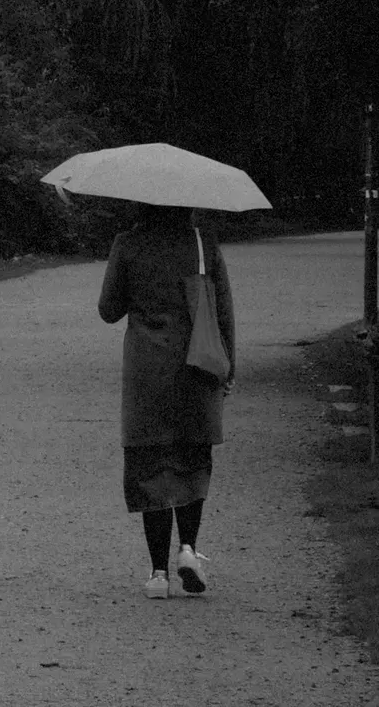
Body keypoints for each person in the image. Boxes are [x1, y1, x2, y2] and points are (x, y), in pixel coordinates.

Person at [97, 203, 236, 599]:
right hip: (198, 363)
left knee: (150, 463)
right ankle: (188, 550)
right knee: (192, 458)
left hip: (147, 369)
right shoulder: (201, 244)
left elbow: (109, 310)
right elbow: (224, 312)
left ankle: (158, 574)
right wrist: (229, 367)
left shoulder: (127, 245)